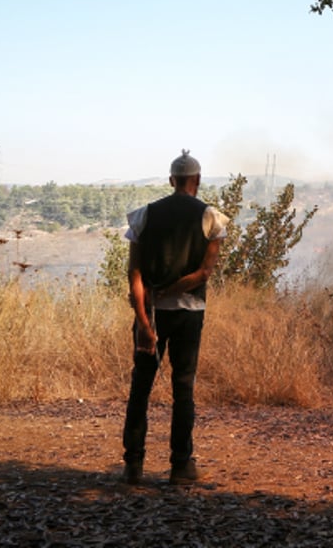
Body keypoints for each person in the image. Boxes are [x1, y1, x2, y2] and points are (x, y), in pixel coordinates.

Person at [121, 150, 228, 486]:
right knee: (183, 389)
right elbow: (204, 273)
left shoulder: (144, 216)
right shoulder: (211, 218)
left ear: (171, 181)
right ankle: (181, 466)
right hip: (189, 314)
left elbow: (134, 274)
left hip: (151, 313)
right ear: (196, 181)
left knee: (141, 387)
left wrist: (143, 320)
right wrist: (171, 291)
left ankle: (133, 466)